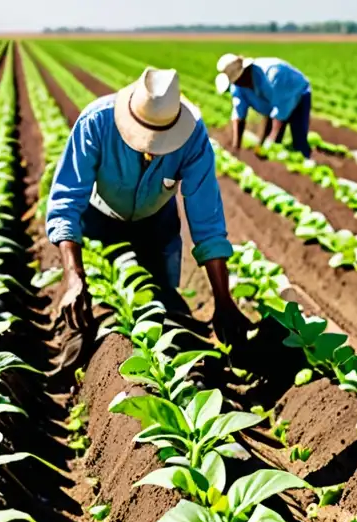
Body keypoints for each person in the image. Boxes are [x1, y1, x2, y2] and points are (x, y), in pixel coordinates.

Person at [47, 67, 249, 350]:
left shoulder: (193, 140)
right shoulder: (96, 122)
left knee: (166, 306)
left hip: (156, 223)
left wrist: (223, 300)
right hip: (98, 221)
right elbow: (67, 201)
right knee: (84, 323)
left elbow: (207, 223)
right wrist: (74, 275)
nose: (152, 149)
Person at [215, 53, 313, 158]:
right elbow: (239, 115)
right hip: (275, 104)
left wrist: (270, 140)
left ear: (246, 71)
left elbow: (280, 111)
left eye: (240, 79)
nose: (240, 84)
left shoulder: (273, 74)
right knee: (270, 145)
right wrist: (236, 147)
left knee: (298, 138)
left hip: (298, 94)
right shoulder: (238, 86)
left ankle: (305, 157)